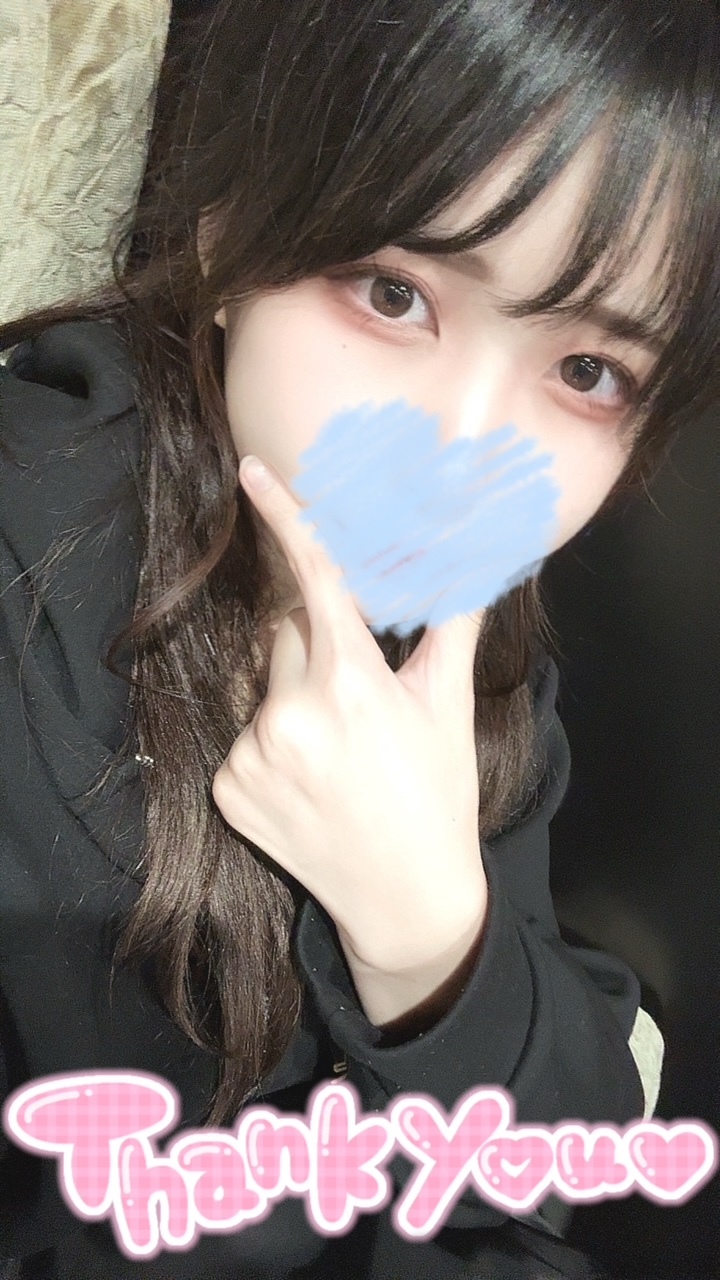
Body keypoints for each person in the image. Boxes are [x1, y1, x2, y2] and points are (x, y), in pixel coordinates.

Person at [1, 1, 719, 1276]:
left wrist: (430, 936)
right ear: (226, 231)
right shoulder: (28, 576)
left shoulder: (468, 637)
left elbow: (568, 1151)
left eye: (588, 372)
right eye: (395, 294)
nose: (463, 460)